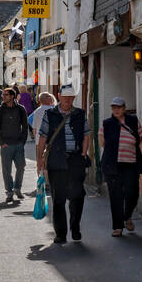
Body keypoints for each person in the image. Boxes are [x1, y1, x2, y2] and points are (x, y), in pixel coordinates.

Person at [35, 85, 90, 244]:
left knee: (77, 196)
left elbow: (86, 134)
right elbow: (43, 138)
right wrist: (40, 160)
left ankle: (75, 227)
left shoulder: (79, 114)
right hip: (56, 160)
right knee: (58, 198)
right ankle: (60, 233)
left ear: (74, 98)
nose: (68, 100)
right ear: (59, 96)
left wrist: (83, 153)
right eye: (65, 97)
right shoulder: (50, 114)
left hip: (75, 160)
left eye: (71, 97)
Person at [99, 97, 142, 236]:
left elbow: (141, 137)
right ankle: (117, 227)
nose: (116, 110)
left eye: (119, 107)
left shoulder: (133, 121)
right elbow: (101, 140)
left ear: (124, 108)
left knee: (133, 193)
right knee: (116, 195)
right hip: (113, 165)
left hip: (131, 163)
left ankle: (127, 216)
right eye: (114, 107)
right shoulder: (107, 124)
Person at [0, 85, 29, 203]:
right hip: (6, 145)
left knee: (21, 167)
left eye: (6, 95)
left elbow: (25, 126)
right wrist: (1, 143)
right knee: (6, 170)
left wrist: (22, 141)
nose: (3, 97)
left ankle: (17, 188)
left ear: (12, 96)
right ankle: (9, 192)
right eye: (3, 95)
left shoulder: (21, 109)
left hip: (18, 144)